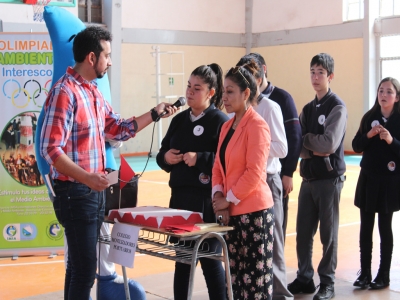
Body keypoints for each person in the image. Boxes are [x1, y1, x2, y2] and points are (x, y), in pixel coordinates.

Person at [39, 26, 176, 300]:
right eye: (107, 55)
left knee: (78, 269)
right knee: (84, 270)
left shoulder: (92, 92)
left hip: (92, 193)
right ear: (92, 58)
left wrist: (154, 114)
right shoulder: (65, 92)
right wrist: (87, 177)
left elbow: (117, 128)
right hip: (75, 194)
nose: (110, 61)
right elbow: (50, 148)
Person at [156, 63, 229, 300]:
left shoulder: (220, 121)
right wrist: (166, 157)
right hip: (180, 202)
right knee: (182, 263)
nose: (189, 92)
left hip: (206, 203)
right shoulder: (178, 121)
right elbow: (161, 154)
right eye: (188, 86)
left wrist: (200, 158)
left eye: (197, 88)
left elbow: (226, 160)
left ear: (211, 93)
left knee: (210, 262)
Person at [287, 53, 347, 300]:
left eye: (320, 72)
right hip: (308, 180)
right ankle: (304, 278)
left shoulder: (337, 107)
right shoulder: (307, 109)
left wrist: (307, 140)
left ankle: (328, 282)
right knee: (303, 232)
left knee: (328, 234)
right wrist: (313, 145)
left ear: (330, 76)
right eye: (312, 71)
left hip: (329, 181)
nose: (315, 76)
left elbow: (329, 144)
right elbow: (298, 147)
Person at [212, 61, 273, 299]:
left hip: (255, 216)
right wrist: (219, 197)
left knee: (255, 287)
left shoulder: (257, 125)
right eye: (223, 91)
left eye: (230, 92)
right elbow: (218, 166)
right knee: (236, 284)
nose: (224, 97)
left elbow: (254, 172)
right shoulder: (227, 126)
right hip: (232, 214)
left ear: (246, 93)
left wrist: (228, 199)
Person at [237, 55, 292, 300]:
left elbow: (282, 148)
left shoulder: (271, 107)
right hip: (245, 182)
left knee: (275, 242)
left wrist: (255, 148)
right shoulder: (238, 112)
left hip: (267, 180)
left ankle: (281, 294)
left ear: (258, 80)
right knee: (248, 246)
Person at [352, 77, 400, 290]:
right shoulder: (369, 117)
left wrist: (391, 140)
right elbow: (356, 145)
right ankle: (365, 272)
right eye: (381, 90)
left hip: (389, 182)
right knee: (366, 227)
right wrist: (369, 135)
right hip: (368, 179)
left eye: (389, 91)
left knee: (385, 228)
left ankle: (383, 274)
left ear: (397, 97)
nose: (384, 95)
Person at [248, 53, 302, 240]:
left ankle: (275, 268)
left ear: (262, 71)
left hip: (275, 174)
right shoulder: (245, 103)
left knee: (275, 230)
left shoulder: (280, 99)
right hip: (252, 177)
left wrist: (288, 173)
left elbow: (293, 138)